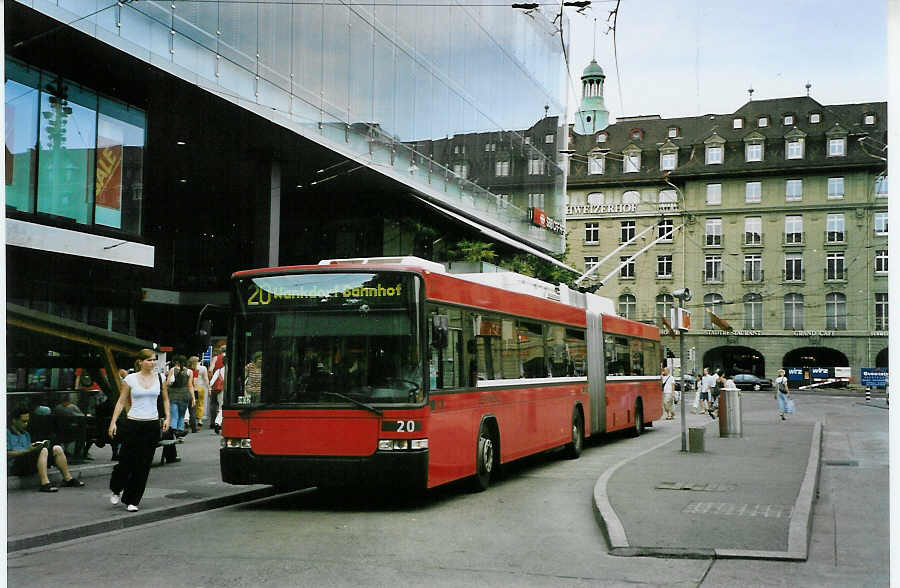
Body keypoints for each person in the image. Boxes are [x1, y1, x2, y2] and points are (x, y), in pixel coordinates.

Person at [108, 349, 171, 512]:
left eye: (154, 360)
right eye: (149, 360)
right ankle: (116, 488)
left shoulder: (160, 378)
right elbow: (121, 401)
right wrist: (113, 422)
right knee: (126, 461)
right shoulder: (130, 379)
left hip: (151, 425)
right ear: (140, 362)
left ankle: (132, 500)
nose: (152, 363)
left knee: (143, 465)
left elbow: (165, 399)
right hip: (133, 423)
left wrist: (167, 418)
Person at [7, 406, 85, 492]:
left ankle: (68, 478)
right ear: (14, 420)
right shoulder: (6, 433)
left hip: (27, 460)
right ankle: (45, 483)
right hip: (15, 465)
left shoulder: (25, 434)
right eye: (23, 421)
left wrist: (34, 447)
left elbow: (28, 448)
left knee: (57, 448)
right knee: (43, 451)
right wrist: (28, 451)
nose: (26, 424)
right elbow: (7, 454)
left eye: (27, 421)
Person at [166, 355, 194, 436]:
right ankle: (180, 432)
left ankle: (173, 432)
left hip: (173, 395)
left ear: (176, 362)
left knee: (174, 415)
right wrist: (193, 398)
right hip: (185, 395)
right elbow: (190, 385)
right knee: (182, 416)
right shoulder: (189, 372)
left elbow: (167, 383)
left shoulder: (172, 370)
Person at [208, 344, 226, 434]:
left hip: (218, 389)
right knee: (224, 407)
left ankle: (214, 422)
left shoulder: (216, 358)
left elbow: (211, 370)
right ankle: (219, 422)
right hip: (228, 390)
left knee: (216, 404)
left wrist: (210, 388)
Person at [189, 356, 209, 429]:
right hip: (200, 387)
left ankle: (189, 419)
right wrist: (208, 387)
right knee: (200, 404)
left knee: (191, 404)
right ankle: (200, 420)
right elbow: (206, 378)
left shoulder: (189, 368)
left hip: (191, 387)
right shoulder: (203, 368)